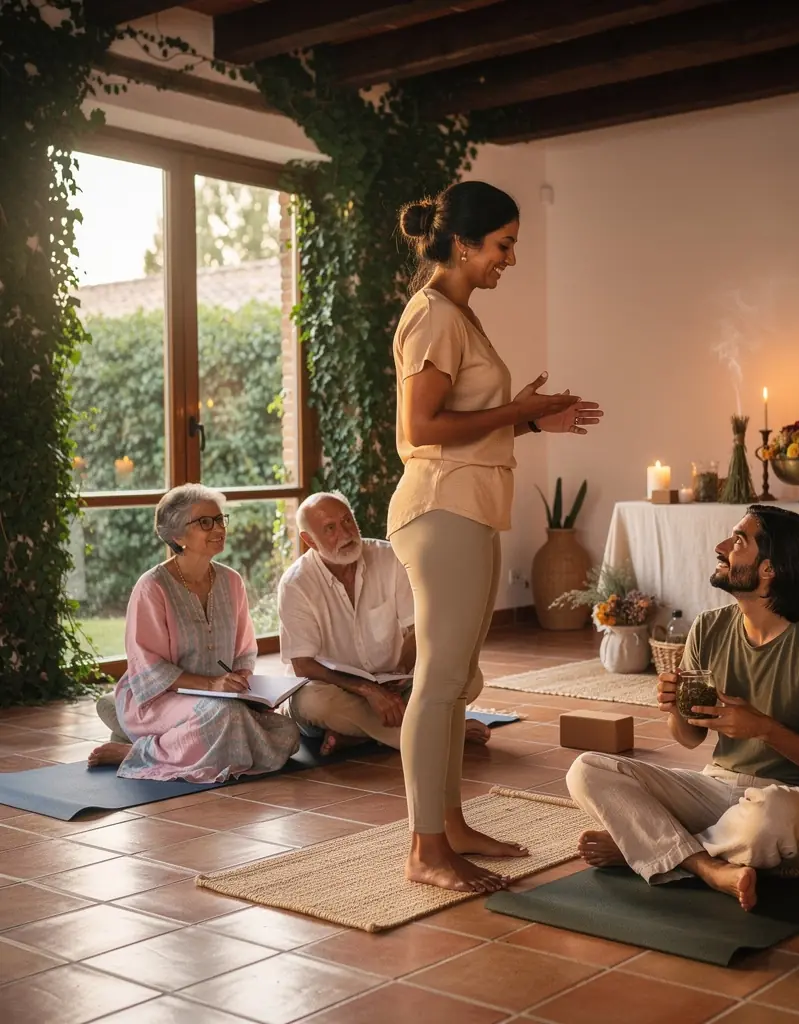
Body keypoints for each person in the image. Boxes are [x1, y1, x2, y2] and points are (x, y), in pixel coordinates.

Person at [389, 180, 603, 892]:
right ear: (461, 243)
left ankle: (449, 826)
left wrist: (534, 419)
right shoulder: (435, 317)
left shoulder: (459, 315)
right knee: (440, 682)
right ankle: (425, 852)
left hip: (471, 507)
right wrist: (518, 409)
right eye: (504, 245)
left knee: (458, 683)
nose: (509, 259)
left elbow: (468, 420)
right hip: (440, 508)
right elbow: (422, 432)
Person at [566, 505, 799, 912]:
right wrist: (675, 708)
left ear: (769, 569)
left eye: (739, 541)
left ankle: (648, 846)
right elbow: (689, 739)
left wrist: (763, 729)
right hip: (719, 790)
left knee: (769, 821)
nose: (722, 548)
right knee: (585, 770)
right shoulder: (708, 628)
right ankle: (706, 866)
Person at [88, 484, 300, 782]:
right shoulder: (153, 587)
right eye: (204, 522)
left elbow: (243, 651)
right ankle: (135, 753)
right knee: (224, 717)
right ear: (177, 536)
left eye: (219, 519)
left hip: (223, 700)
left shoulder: (232, 581)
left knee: (287, 732)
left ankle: (178, 746)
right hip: (158, 699)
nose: (218, 528)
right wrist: (212, 684)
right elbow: (149, 667)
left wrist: (243, 686)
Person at [277, 491, 491, 755]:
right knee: (313, 703)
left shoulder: (390, 558)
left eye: (347, 521)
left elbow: (415, 630)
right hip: (335, 690)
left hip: (393, 687)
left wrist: (401, 670)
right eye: (330, 528)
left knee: (470, 678)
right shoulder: (295, 584)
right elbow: (302, 665)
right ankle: (435, 736)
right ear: (309, 540)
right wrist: (367, 690)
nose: (344, 534)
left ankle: (357, 737)